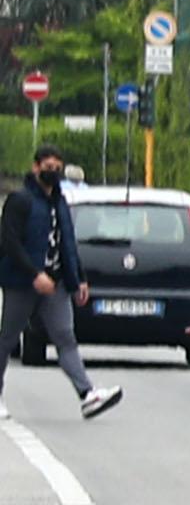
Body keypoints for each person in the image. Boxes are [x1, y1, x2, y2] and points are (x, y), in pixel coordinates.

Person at [0, 148, 121, 422]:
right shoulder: (20, 201)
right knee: (7, 339)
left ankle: (87, 394)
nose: (52, 171)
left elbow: (68, 243)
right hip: (22, 283)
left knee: (65, 338)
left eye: (57, 167)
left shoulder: (61, 203)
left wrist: (79, 279)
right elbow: (9, 242)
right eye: (48, 166)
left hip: (56, 284)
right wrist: (33, 274)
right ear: (35, 168)